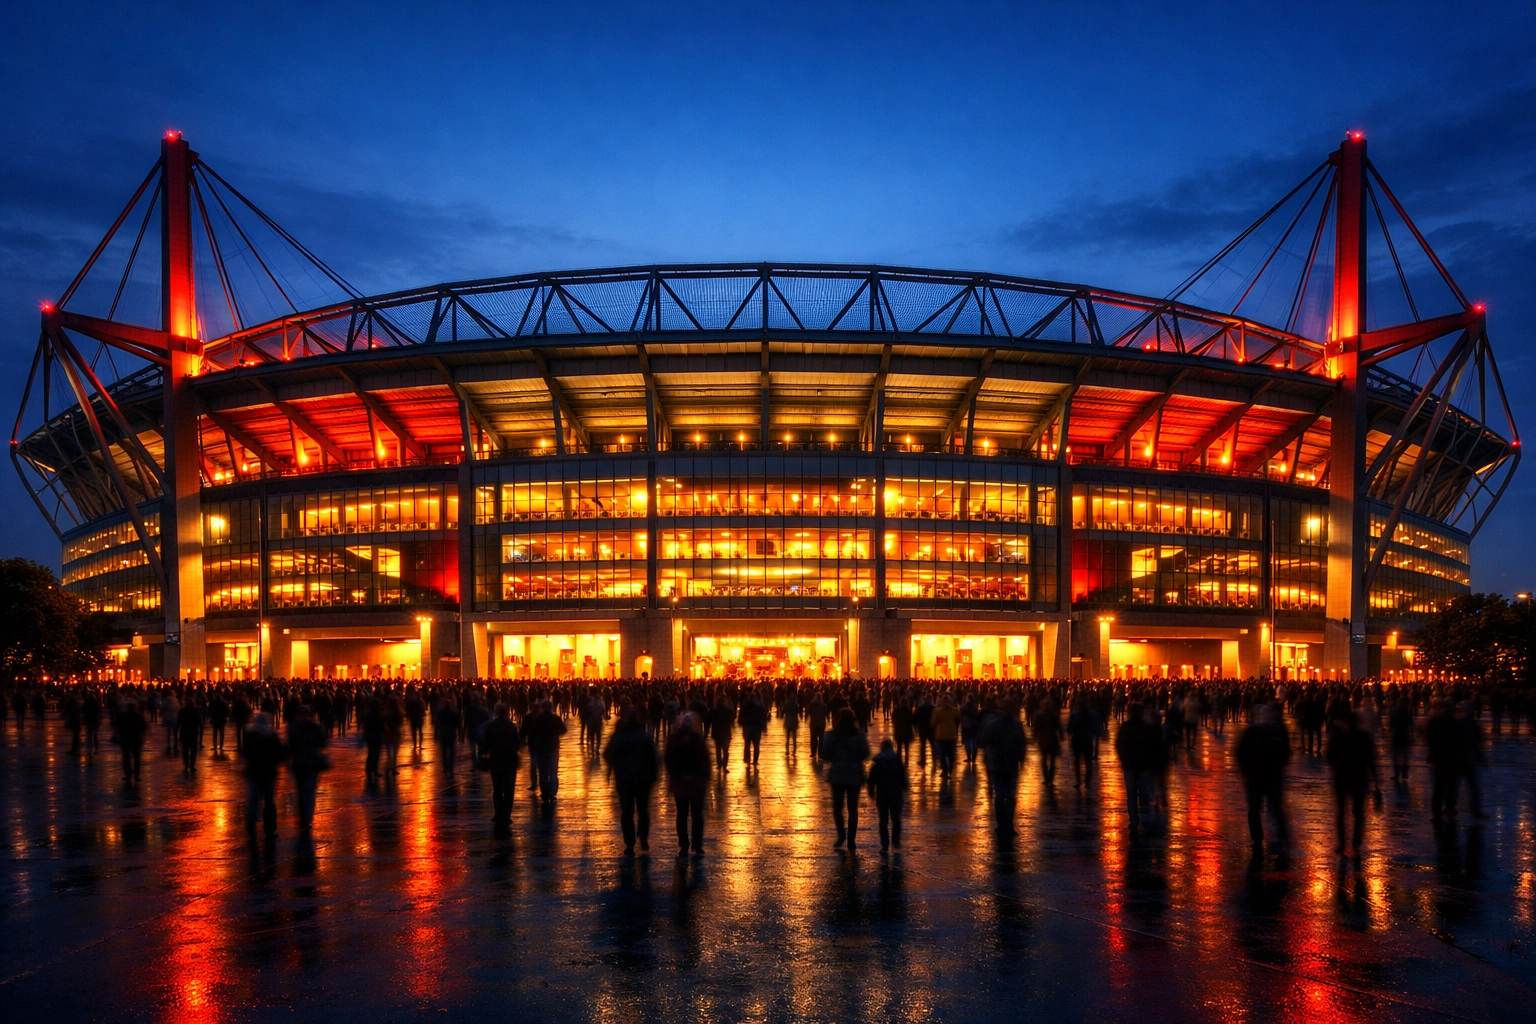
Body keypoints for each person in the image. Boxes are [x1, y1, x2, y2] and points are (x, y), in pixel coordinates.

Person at [1235, 703, 1291, 854]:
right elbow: (1240, 753)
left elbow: (1286, 752)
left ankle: (1281, 836)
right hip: (1256, 777)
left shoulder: (1277, 732)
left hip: (1271, 777)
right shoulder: (1253, 732)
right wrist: (1247, 771)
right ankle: (1257, 839)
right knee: (1255, 809)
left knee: (1275, 807)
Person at [604, 707, 659, 855]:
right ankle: (643, 838)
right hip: (643, 780)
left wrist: (615, 766)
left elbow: (607, 753)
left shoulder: (619, 736)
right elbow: (654, 758)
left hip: (624, 779)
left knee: (627, 812)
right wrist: (653, 776)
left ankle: (629, 843)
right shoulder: (645, 735)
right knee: (643, 810)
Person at [1326, 709, 1378, 856]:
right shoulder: (1364, 736)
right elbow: (1371, 759)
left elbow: (1329, 757)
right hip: (1359, 778)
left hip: (1342, 778)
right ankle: (1356, 841)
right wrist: (1376, 781)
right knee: (1358, 812)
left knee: (1341, 812)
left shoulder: (1338, 736)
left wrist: (1338, 765)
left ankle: (1342, 843)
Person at [820, 709, 871, 851]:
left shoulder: (832, 735)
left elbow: (824, 753)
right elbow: (865, 752)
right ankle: (851, 839)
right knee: (852, 809)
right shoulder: (859, 735)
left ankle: (841, 833)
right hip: (854, 774)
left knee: (837, 808)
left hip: (837, 775)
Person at [1114, 701, 1162, 840]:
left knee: (1131, 795)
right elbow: (1153, 745)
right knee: (1143, 793)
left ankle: (1133, 820)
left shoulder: (1126, 726)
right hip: (1143, 765)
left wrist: (1124, 760)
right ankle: (1144, 817)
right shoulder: (1145, 727)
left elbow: (1119, 744)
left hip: (1130, 766)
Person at [666, 712, 711, 855]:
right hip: (696, 782)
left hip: (680, 783)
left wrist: (675, 776)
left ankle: (684, 843)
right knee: (697, 814)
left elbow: (668, 760)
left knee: (682, 814)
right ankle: (697, 844)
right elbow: (705, 760)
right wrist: (705, 776)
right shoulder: (698, 739)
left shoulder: (674, 739)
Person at [981, 698, 1027, 832]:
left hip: (998, 763)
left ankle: (1002, 825)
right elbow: (1022, 743)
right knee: (1009, 796)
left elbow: (985, 741)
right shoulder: (1016, 724)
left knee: (1001, 796)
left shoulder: (993, 724)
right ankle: (1008, 825)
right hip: (1010, 763)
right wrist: (1021, 759)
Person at [242, 712, 286, 838]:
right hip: (269, 773)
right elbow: (280, 754)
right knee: (269, 802)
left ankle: (251, 825)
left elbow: (246, 752)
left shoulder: (251, 735)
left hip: (253, 773)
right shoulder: (272, 735)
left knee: (253, 801)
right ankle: (270, 829)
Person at [480, 702, 523, 828]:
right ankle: (507, 815)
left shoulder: (491, 725)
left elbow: (486, 742)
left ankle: (498, 813)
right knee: (509, 790)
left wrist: (484, 752)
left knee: (497, 789)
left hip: (496, 760)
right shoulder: (511, 725)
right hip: (510, 761)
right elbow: (517, 742)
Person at [288, 705, 329, 834]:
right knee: (310, 793)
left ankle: (303, 818)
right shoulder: (316, 727)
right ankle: (308, 819)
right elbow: (322, 743)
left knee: (301, 792)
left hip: (299, 763)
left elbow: (290, 747)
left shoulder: (293, 728)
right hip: (312, 763)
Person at [521, 698, 567, 803]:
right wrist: (555, 734)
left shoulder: (538, 719)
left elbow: (532, 732)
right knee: (553, 771)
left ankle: (545, 793)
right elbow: (563, 730)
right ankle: (553, 792)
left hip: (541, 748)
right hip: (552, 747)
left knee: (543, 772)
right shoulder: (556, 718)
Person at [1425, 698, 1462, 828]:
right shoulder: (1455, 723)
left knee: (1438, 789)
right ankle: (1450, 808)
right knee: (1451, 786)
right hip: (1451, 760)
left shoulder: (1434, 721)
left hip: (1437, 760)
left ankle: (1436, 815)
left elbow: (1429, 740)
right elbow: (1459, 744)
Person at [867, 738, 908, 852]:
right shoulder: (897, 761)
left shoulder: (877, 764)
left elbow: (872, 780)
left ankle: (884, 843)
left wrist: (871, 792)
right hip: (896, 794)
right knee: (896, 819)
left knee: (883, 820)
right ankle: (895, 841)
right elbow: (902, 778)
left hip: (882, 795)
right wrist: (904, 788)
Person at [115, 699, 148, 783]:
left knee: (126, 757)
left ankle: (128, 774)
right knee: (136, 758)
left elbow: (118, 726)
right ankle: (136, 775)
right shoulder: (138, 716)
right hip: (136, 739)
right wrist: (142, 735)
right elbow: (144, 727)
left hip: (125, 738)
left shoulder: (123, 716)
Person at [931, 694, 961, 780]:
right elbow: (958, 720)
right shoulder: (955, 710)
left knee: (942, 755)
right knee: (951, 754)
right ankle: (950, 770)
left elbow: (933, 723)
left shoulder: (937, 711)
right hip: (951, 735)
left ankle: (945, 770)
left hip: (941, 735)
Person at [177, 700, 203, 776]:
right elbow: (200, 722)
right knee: (193, 750)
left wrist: (177, 729)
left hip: (184, 733)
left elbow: (179, 721)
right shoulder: (196, 711)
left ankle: (186, 764)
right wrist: (201, 731)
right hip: (194, 733)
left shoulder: (183, 711)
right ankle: (192, 765)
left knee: (185, 750)